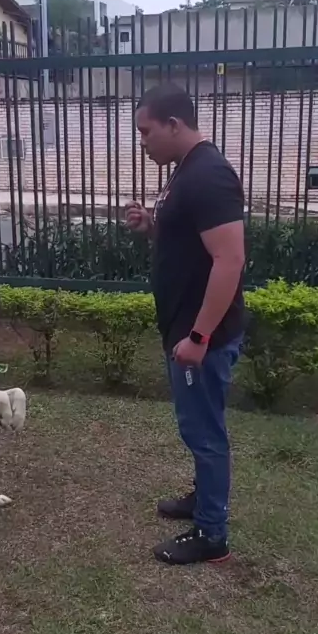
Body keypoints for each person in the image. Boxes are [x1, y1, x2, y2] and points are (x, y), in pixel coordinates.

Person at [126, 83, 245, 566]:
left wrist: (199, 336)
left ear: (174, 124)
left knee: (204, 432)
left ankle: (212, 535)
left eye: (146, 131)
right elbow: (190, 240)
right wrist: (151, 226)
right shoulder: (186, 171)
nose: (142, 142)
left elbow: (229, 260)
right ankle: (203, 499)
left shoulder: (208, 175)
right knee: (197, 428)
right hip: (184, 327)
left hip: (202, 336)